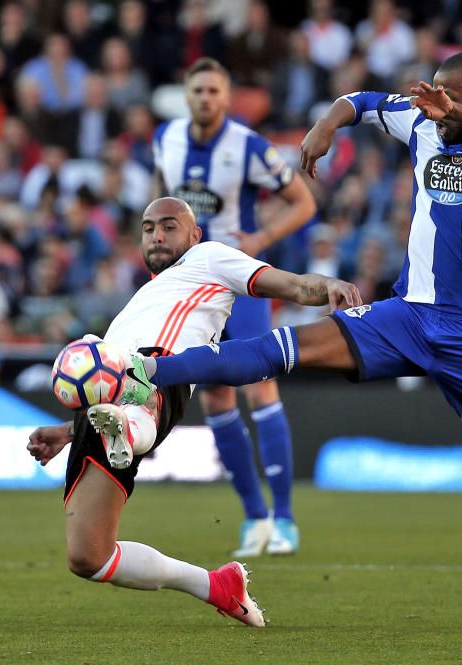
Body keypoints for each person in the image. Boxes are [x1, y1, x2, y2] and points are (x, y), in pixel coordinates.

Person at [126, 52, 462, 632]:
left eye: (451, 99)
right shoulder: (420, 121)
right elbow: (362, 103)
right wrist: (324, 125)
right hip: (408, 315)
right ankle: (150, 371)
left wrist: (454, 110)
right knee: (287, 348)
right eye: (433, 97)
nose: (435, 108)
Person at [25, 197, 360, 628]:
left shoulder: (210, 258)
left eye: (169, 226)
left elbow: (291, 284)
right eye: (148, 228)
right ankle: (216, 585)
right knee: (88, 556)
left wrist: (326, 286)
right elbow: (98, 381)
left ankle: (128, 427)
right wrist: (69, 430)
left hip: (161, 372)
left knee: (136, 397)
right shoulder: (143, 297)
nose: (157, 235)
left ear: (194, 235)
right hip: (104, 399)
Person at [152, 57, 317, 557]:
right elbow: (161, 201)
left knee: (259, 388)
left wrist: (262, 236)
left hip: (236, 279)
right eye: (197, 89)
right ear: (186, 94)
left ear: (226, 98)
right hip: (188, 286)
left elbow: (304, 202)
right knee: (215, 399)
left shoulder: (248, 146)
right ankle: (254, 517)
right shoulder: (166, 139)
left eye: (214, 91)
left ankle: (286, 517)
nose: (205, 98)